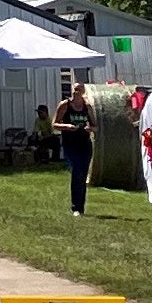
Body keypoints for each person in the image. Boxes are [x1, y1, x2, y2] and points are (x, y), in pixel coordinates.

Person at [56, 86, 94, 216]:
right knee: (76, 171)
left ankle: (81, 207)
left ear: (83, 92)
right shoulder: (65, 105)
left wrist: (90, 128)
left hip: (84, 144)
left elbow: (95, 126)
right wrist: (66, 126)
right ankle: (75, 207)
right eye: (74, 89)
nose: (75, 91)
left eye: (78, 89)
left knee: (83, 176)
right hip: (70, 144)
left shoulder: (87, 107)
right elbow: (54, 124)